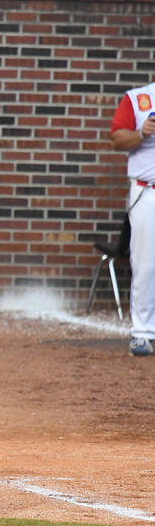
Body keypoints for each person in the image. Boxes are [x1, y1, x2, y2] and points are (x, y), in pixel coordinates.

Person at [109, 83, 155, 357]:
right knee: (146, 263)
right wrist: (141, 133)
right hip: (148, 189)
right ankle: (143, 332)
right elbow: (116, 139)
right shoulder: (139, 99)